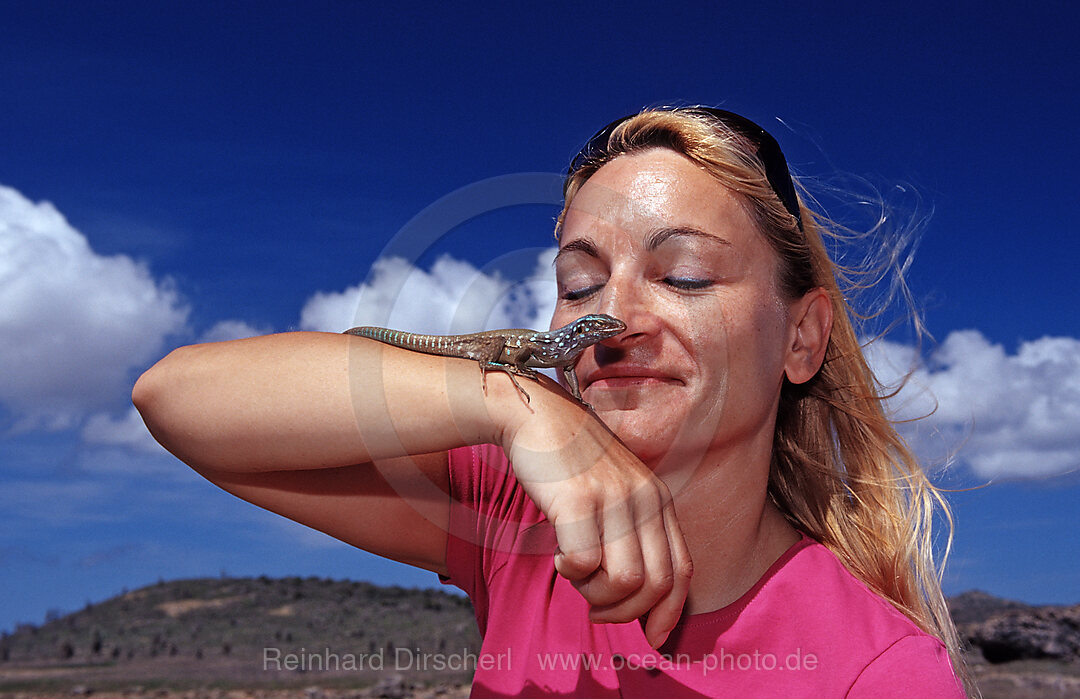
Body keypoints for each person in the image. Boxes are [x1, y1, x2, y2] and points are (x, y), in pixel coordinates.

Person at [133, 106, 969, 696]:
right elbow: (174, 395)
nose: (620, 320)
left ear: (801, 339)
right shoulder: (518, 518)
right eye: (579, 283)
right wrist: (519, 410)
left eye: (682, 275)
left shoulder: (883, 672)